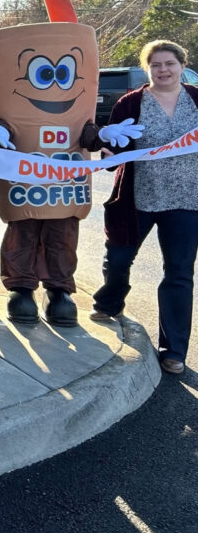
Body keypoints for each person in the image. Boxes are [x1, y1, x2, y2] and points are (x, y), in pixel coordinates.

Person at [87, 40, 198, 375]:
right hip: (137, 198)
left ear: (182, 65)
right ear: (148, 68)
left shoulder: (196, 99)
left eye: (169, 63)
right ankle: (111, 299)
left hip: (187, 201)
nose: (163, 70)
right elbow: (110, 148)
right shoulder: (131, 102)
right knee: (119, 259)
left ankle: (174, 349)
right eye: (156, 65)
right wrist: (106, 151)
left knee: (179, 273)